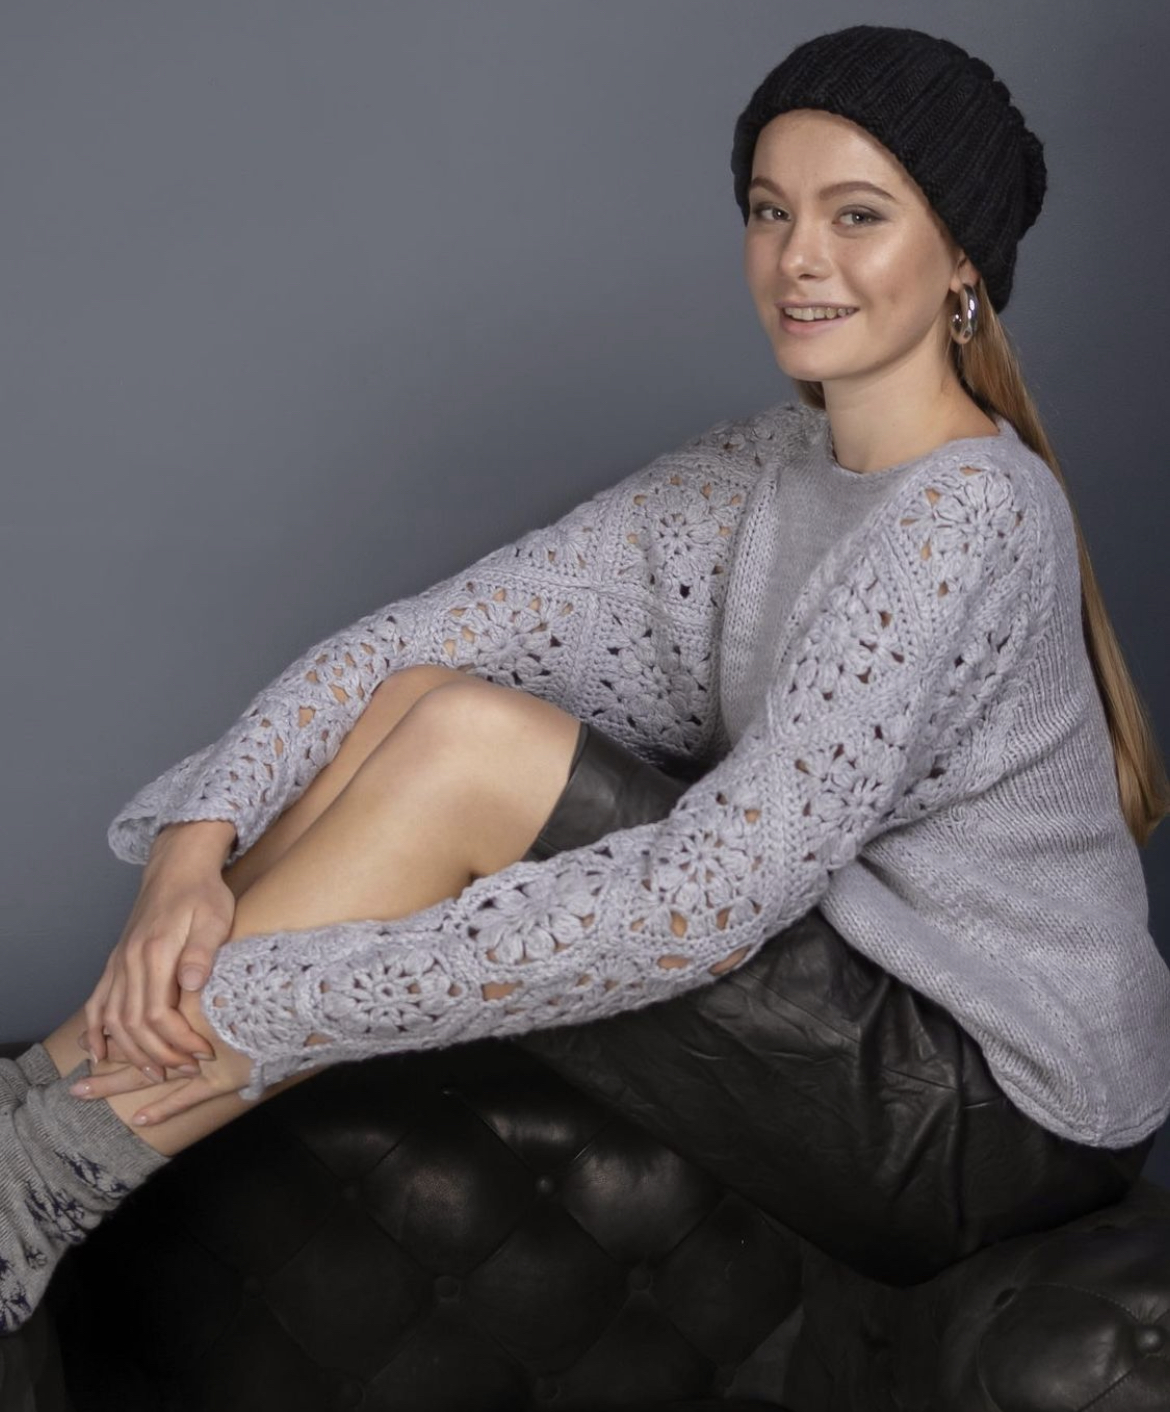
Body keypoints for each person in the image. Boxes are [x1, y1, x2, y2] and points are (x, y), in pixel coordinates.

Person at [3, 22, 1170, 1333]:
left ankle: (42, 1158)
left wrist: (271, 997)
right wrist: (192, 847)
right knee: (425, 700)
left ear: (960, 260)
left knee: (468, 749)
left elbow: (705, 899)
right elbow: (422, 642)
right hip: (870, 1017)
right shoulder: (761, 472)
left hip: (998, 1112)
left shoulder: (970, 513)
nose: (799, 257)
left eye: (857, 215)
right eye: (769, 210)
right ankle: (33, 1123)